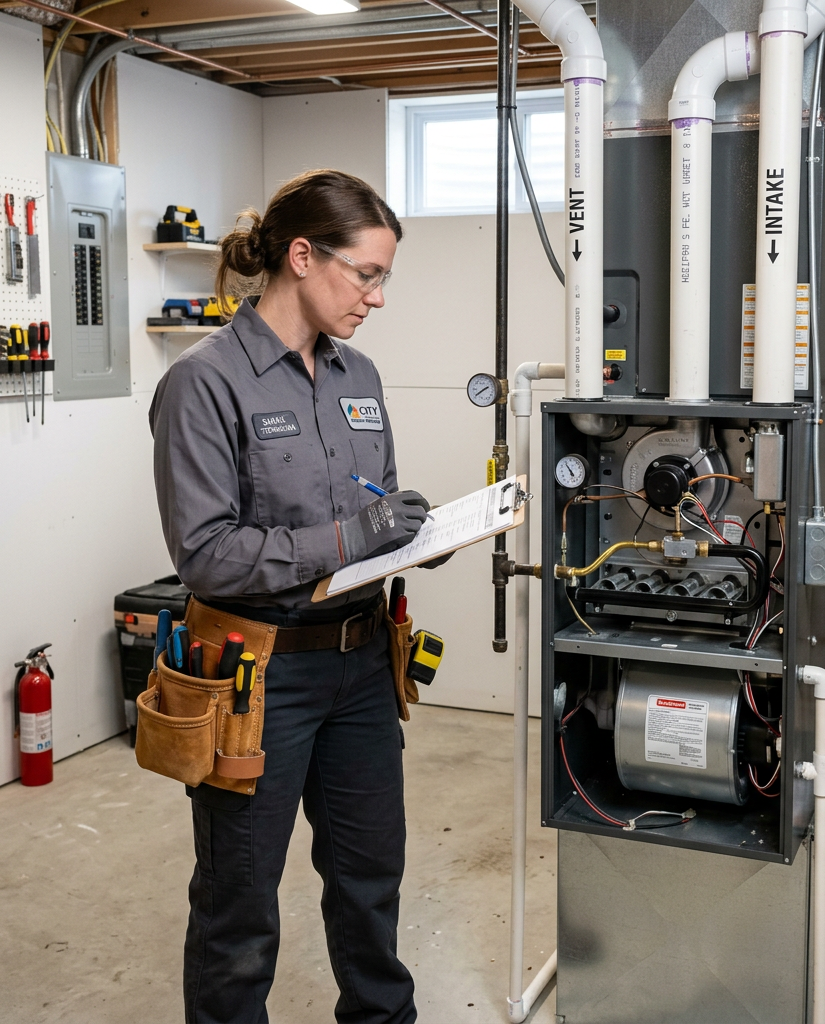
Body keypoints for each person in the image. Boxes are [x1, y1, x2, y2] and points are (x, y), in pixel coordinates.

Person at [150, 169, 436, 1024]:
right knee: (239, 908)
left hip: (360, 669)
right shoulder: (205, 383)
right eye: (368, 275)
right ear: (303, 256)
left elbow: (374, 501)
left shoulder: (362, 376)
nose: (378, 298)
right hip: (257, 678)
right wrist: (359, 536)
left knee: (370, 881)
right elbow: (207, 555)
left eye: (385, 278)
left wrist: (422, 538)